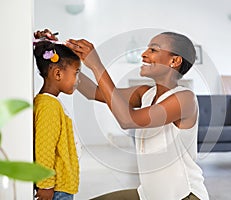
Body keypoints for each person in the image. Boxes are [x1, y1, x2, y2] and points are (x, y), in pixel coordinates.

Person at [64, 31, 210, 200]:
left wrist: (97, 65)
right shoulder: (145, 93)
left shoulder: (184, 98)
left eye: (153, 50)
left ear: (174, 61)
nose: (144, 54)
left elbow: (127, 120)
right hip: (148, 195)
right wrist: (61, 59)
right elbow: (93, 92)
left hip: (185, 196)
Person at [33, 32, 81, 200]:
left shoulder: (50, 103)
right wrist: (46, 185)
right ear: (58, 74)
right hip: (57, 190)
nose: (77, 80)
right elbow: (45, 147)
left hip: (60, 187)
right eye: (76, 73)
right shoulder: (48, 106)